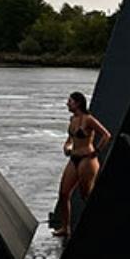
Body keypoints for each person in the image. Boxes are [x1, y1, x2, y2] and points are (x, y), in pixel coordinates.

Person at [53, 91, 110, 238]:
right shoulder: (73, 119)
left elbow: (106, 135)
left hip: (87, 160)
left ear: (78, 103)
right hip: (74, 158)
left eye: (70, 101)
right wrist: (66, 147)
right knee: (63, 193)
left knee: (86, 195)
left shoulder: (88, 119)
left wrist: (97, 151)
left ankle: (98, 225)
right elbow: (70, 140)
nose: (67, 104)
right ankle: (65, 228)